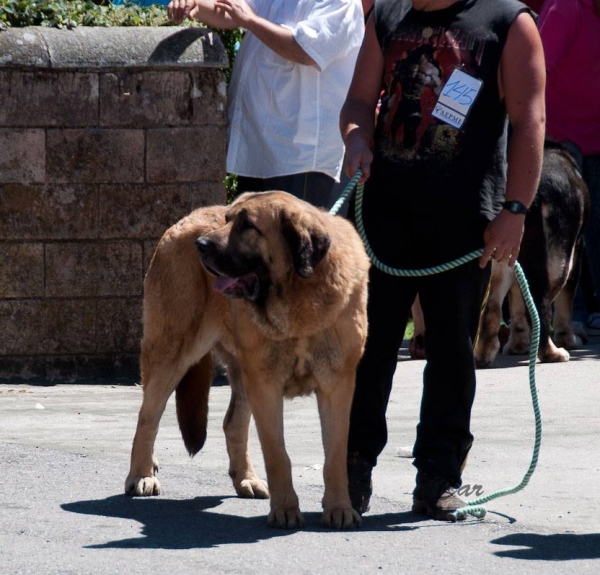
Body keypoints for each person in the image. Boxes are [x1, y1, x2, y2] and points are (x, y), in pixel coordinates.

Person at [340, 0, 546, 520]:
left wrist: (515, 210)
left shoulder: (508, 23)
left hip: (463, 219)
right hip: (383, 211)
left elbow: (530, 120)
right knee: (370, 346)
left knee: (452, 350)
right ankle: (350, 470)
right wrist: (357, 139)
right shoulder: (388, 16)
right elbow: (359, 102)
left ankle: (438, 477)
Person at [167, 0, 365, 209]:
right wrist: (195, 4)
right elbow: (233, 11)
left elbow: (304, 51)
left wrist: (251, 21)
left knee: (292, 241)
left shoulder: (343, 3)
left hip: (300, 157)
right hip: (259, 150)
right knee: (251, 240)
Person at [538, 0, 600, 336]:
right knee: (566, 239)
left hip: (595, 137)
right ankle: (564, 319)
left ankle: (590, 311)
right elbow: (537, 68)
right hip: (562, 141)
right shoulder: (566, 6)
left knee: (594, 232)